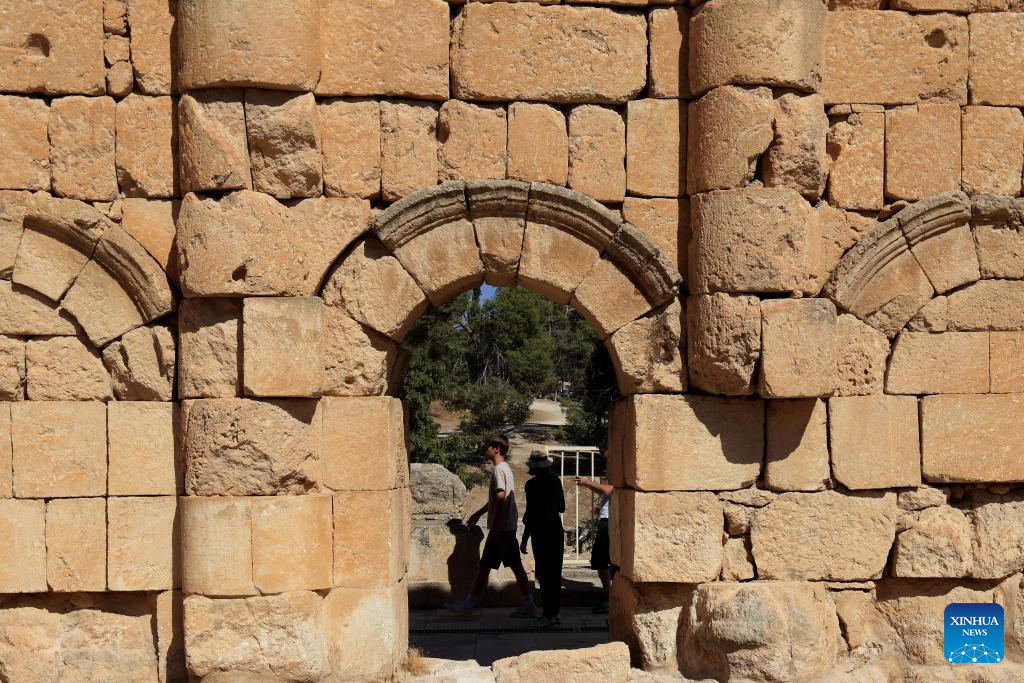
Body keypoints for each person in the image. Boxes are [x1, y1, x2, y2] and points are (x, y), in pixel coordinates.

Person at [446, 434, 538, 618]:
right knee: (510, 565)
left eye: (487, 445)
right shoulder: (505, 469)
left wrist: (495, 528)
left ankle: (468, 605)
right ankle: (528, 603)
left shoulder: (498, 471)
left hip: (501, 529)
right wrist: (479, 514)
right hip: (506, 527)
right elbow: (497, 500)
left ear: (496, 448)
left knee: (486, 566)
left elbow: (501, 499)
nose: (484, 448)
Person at [520, 450, 566, 628]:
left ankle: (548, 614)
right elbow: (562, 507)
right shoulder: (555, 481)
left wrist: (524, 539)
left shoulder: (531, 486)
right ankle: (554, 613)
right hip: (555, 530)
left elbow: (530, 514)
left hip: (540, 532)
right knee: (555, 573)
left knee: (544, 574)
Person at [575, 443, 617, 614]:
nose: (602, 454)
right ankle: (611, 599)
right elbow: (605, 492)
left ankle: (611, 600)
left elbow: (609, 491)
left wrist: (588, 482)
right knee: (603, 561)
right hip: (607, 517)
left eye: (603, 451)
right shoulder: (612, 467)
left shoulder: (618, 467)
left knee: (603, 561)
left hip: (610, 519)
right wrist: (589, 485)